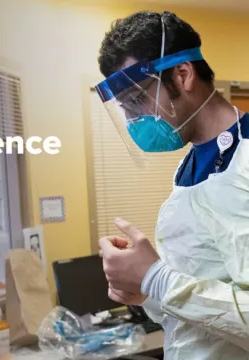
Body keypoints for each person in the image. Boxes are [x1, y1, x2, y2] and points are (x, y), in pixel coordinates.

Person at [95, 11, 249, 360]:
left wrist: (157, 279)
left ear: (182, 74)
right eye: (126, 107)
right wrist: (144, 289)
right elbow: (200, 306)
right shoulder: (188, 167)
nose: (134, 119)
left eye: (137, 100)